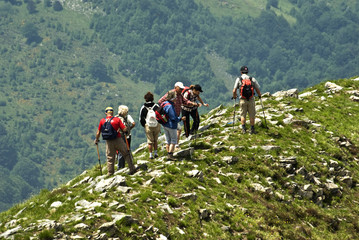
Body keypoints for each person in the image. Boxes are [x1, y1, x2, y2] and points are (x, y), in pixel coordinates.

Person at [94, 107, 136, 176]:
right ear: (112, 113)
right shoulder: (117, 119)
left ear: (106, 113)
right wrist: (127, 129)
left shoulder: (102, 121)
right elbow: (124, 129)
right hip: (118, 139)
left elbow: (98, 132)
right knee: (126, 153)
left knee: (110, 157)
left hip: (108, 141)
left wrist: (96, 140)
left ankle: (110, 173)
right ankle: (132, 169)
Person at [158, 82, 197, 148]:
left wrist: (192, 103)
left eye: (182, 89)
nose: (181, 90)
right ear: (175, 88)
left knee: (173, 132)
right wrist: (166, 108)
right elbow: (160, 101)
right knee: (178, 129)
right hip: (171, 117)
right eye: (180, 89)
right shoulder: (171, 94)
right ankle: (175, 145)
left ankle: (171, 147)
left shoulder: (180, 95)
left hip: (175, 116)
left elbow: (185, 101)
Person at [232, 66, 262, 134]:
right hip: (251, 99)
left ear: (241, 72)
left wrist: (234, 96)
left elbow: (234, 90)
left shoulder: (238, 79)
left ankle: (243, 129)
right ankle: (252, 129)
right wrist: (260, 96)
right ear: (247, 71)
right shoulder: (252, 79)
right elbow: (257, 89)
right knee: (252, 115)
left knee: (243, 114)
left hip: (242, 100)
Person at [160, 90, 185, 160]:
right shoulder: (170, 106)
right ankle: (170, 155)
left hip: (165, 124)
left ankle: (167, 153)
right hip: (171, 125)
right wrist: (180, 119)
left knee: (168, 140)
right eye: (175, 97)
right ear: (173, 98)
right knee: (173, 140)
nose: (176, 99)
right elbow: (173, 118)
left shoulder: (164, 103)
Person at [139, 92, 162, 159]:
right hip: (156, 125)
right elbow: (160, 115)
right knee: (155, 140)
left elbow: (141, 119)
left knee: (150, 141)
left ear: (145, 99)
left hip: (148, 126)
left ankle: (150, 155)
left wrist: (145, 125)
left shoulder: (143, 107)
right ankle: (156, 153)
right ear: (152, 98)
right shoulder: (156, 106)